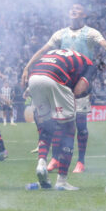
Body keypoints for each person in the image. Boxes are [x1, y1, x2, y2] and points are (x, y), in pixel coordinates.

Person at [22, 3, 106, 174]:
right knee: (55, 121)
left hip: (82, 78)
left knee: (80, 125)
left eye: (78, 9)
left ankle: (80, 161)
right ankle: (55, 158)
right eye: (71, 9)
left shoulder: (90, 33)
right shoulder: (60, 34)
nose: (73, 10)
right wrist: (27, 67)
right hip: (63, 80)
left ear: (84, 14)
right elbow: (43, 50)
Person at [24, 48, 94, 190]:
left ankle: (42, 163)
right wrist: (72, 99)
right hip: (54, 79)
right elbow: (79, 89)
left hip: (34, 78)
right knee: (68, 131)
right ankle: (61, 181)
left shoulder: (59, 53)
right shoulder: (90, 65)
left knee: (46, 128)